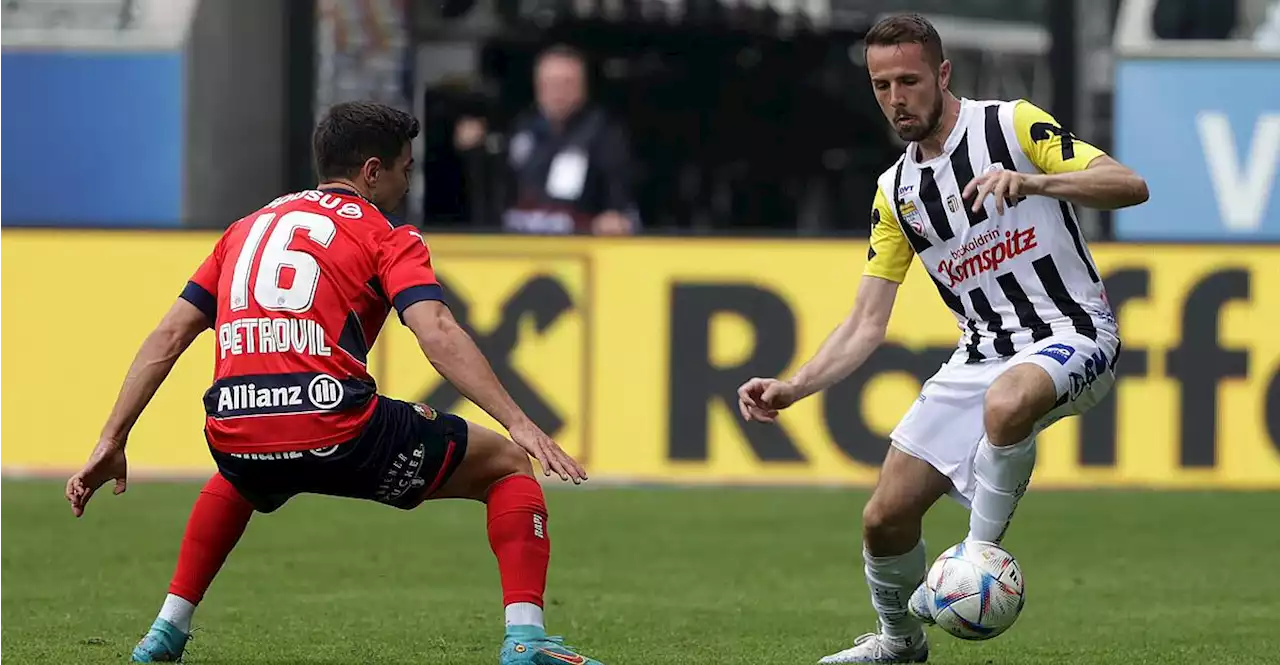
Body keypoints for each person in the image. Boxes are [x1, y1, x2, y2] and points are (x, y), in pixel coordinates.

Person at [65, 101, 606, 665]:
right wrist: (518, 422)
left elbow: (169, 335)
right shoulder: (386, 234)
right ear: (373, 171)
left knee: (243, 472)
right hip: (338, 424)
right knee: (507, 466)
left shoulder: (244, 230)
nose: (407, 181)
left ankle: (165, 633)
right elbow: (437, 330)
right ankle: (526, 639)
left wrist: (112, 438)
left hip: (234, 423)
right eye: (406, 168)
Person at [736, 13, 1148, 664]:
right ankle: (901, 643)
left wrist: (1036, 180)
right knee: (884, 518)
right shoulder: (896, 193)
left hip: (1073, 332)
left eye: (909, 80)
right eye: (881, 85)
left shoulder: (1010, 125)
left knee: (1009, 402)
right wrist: (794, 385)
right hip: (979, 356)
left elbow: (1129, 184)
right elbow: (867, 321)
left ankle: (976, 562)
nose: (896, 99)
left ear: (943, 74)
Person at [455, 44, 639, 235]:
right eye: (549, 83)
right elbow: (498, 186)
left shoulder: (605, 133)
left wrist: (615, 215)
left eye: (566, 83)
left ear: (583, 86)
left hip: (577, 240)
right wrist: (475, 150)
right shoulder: (521, 127)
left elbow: (619, 194)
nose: (557, 92)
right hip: (519, 241)